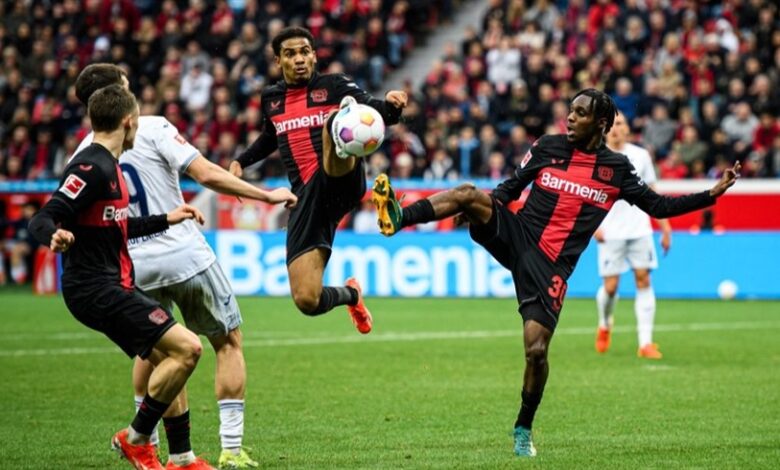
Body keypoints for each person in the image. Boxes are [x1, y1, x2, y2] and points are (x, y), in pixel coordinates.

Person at [370, 88, 740, 457]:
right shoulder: (548, 146)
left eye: (579, 113)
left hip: (551, 266)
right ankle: (401, 217)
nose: (570, 117)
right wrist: (484, 208)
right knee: (468, 192)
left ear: (601, 123)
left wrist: (711, 194)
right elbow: (510, 187)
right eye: (570, 110)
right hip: (518, 234)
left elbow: (657, 207)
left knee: (536, 351)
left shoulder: (617, 170)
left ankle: (523, 427)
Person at [73, 63, 298, 469]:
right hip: (185, 256)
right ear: (120, 99)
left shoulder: (81, 153)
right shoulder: (155, 127)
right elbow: (207, 173)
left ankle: (169, 452)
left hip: (134, 268)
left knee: (160, 356)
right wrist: (264, 196)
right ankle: (230, 450)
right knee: (227, 341)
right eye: (127, 86)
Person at [28, 84, 210, 470]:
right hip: (95, 289)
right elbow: (43, 216)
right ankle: (136, 438)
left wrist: (167, 218)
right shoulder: (90, 167)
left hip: (112, 284)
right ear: (129, 122)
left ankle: (181, 457)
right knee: (188, 349)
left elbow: (116, 226)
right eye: (138, 120)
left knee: (167, 357)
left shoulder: (111, 166)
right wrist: (53, 235)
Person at [229, 27, 408, 331]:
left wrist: (391, 106)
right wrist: (240, 161)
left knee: (333, 123)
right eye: (290, 54)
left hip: (341, 181)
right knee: (306, 300)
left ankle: (378, 194)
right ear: (278, 61)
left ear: (313, 55)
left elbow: (375, 111)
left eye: (304, 52)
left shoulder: (335, 86)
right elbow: (270, 137)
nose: (299, 59)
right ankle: (352, 295)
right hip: (306, 199)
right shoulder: (271, 99)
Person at [593, 112, 672, 359]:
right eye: (612, 125)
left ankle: (645, 343)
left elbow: (652, 193)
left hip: (639, 229)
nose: (617, 129)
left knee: (643, 280)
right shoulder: (595, 157)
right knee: (611, 285)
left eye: (621, 124)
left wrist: (665, 227)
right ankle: (605, 324)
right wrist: (593, 227)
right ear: (604, 130)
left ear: (628, 128)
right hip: (610, 231)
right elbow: (585, 196)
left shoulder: (641, 156)